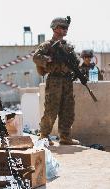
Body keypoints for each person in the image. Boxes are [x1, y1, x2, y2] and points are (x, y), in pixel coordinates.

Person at [33, 16, 80, 146]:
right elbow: (36, 57)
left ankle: (65, 136)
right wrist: (48, 59)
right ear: (55, 28)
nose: (66, 30)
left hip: (67, 80)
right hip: (54, 79)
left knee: (68, 109)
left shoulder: (67, 46)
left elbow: (76, 62)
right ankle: (44, 135)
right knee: (51, 108)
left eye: (67, 27)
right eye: (63, 27)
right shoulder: (48, 45)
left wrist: (75, 65)